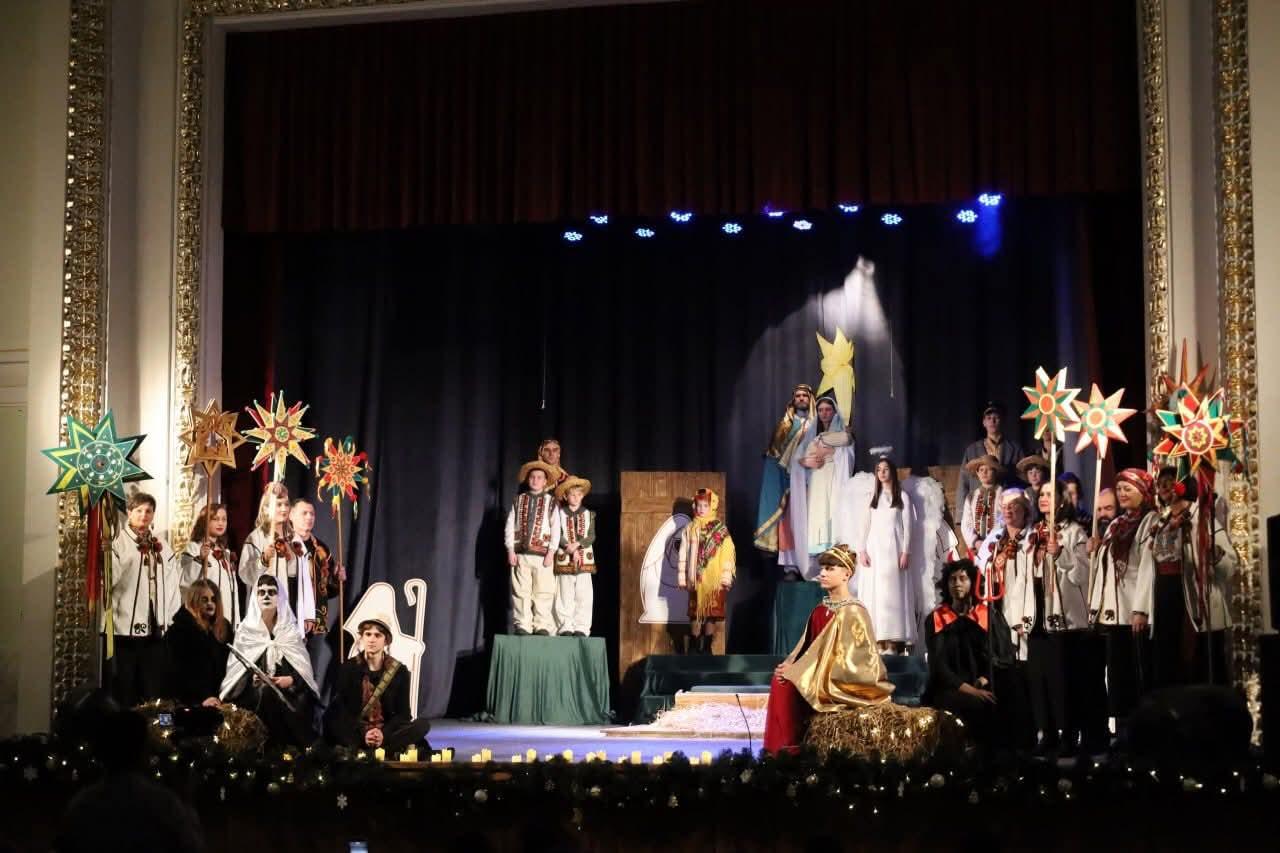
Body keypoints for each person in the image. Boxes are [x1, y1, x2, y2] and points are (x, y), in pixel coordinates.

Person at [762, 545, 895, 754]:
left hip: (842, 682)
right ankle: (780, 752)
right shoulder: (820, 610)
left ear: (846, 574)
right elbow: (806, 649)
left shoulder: (854, 612)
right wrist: (790, 665)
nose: (822, 573)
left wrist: (799, 673)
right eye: (822, 568)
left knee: (788, 684)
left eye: (830, 568)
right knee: (780, 681)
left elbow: (855, 665)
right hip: (816, 675)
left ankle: (794, 750)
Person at [1007, 482, 1090, 755]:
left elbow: (1082, 576)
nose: (1043, 498)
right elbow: (1022, 578)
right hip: (1037, 615)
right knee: (1039, 679)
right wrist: (1018, 615)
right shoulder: (1034, 533)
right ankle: (1047, 733)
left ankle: (1068, 734)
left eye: (1049, 494)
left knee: (1061, 680)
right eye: (1041, 494)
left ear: (1062, 500)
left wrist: (1062, 555)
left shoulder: (1074, 532)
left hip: (1063, 618)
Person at [56, 709, 206, 853]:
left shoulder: (82, 804)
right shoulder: (163, 804)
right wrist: (187, 800)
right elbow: (192, 846)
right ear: (144, 750)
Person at [1143, 469, 1237, 687]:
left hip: (1195, 605)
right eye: (1160, 483)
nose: (1163, 487)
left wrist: (1213, 553)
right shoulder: (1160, 523)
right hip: (1165, 603)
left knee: (1200, 668)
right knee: (1170, 669)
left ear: (1184, 485)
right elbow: (1149, 566)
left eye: (1169, 481)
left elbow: (1230, 567)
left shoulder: (1202, 519)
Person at [1086, 468, 1157, 735]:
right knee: (1118, 678)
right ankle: (1123, 733)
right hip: (1114, 614)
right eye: (1119, 489)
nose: (1122, 493)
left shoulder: (1150, 521)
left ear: (1143, 491)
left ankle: (1143, 733)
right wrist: (1096, 550)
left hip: (1134, 613)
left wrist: (1141, 609)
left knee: (1138, 675)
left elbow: (1148, 567)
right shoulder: (1116, 525)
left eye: (1128, 488)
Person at [220, 574, 319, 747]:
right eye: (262, 592)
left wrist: (291, 680)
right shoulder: (246, 631)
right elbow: (236, 674)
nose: (266, 596)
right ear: (255, 597)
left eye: (272, 592)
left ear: (279, 597)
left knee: (298, 703)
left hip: (288, 695)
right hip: (253, 695)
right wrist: (252, 679)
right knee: (264, 694)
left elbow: (304, 672)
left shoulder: (290, 630)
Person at [109, 491, 181, 708]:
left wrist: (169, 616)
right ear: (129, 512)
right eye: (139, 510)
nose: (144, 515)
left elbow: (172, 582)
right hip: (126, 629)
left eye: (148, 511)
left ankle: (159, 725)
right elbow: (110, 580)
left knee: (154, 686)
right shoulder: (118, 543)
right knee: (127, 686)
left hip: (156, 627)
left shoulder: (161, 545)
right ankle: (128, 725)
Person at [325, 614, 431, 753]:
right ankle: (380, 749)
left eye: (377, 635)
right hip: (357, 732)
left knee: (422, 725)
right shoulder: (348, 668)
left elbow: (403, 714)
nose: (371, 639)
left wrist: (383, 734)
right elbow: (342, 710)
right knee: (331, 720)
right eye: (368, 634)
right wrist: (364, 733)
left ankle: (367, 749)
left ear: (386, 641)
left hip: (386, 733)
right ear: (362, 638)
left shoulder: (399, 671)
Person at [923, 560, 997, 749]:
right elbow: (939, 668)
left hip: (980, 683)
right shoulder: (937, 618)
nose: (957, 583)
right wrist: (972, 690)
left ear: (973, 582)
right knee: (972, 703)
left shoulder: (986, 615)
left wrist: (983, 679)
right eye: (952, 579)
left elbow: (996, 655)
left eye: (963, 578)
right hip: (948, 687)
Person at [784, 394, 855, 578]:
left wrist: (823, 442)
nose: (824, 413)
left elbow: (846, 444)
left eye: (828, 410)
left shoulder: (841, 435)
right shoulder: (814, 437)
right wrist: (805, 461)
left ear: (834, 412)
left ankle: (836, 567)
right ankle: (820, 569)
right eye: (821, 410)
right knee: (818, 521)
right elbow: (799, 458)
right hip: (817, 483)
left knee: (832, 518)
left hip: (834, 482)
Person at [854, 456, 916, 653]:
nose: (881, 472)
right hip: (875, 552)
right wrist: (862, 550)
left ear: (892, 472)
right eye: (878, 469)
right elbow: (863, 526)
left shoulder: (902, 497)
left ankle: (894, 642)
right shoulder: (872, 498)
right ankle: (878, 640)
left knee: (893, 592)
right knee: (876, 593)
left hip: (893, 551)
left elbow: (908, 526)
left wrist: (905, 551)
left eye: (885, 469)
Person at [754, 383, 813, 557]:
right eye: (798, 396)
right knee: (788, 519)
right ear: (793, 400)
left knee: (809, 519)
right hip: (787, 478)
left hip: (810, 477)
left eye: (804, 396)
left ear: (810, 399)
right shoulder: (785, 424)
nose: (801, 398)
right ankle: (789, 563)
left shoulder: (816, 424)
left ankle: (810, 560)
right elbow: (775, 452)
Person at [504, 460, 562, 636]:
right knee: (521, 590)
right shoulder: (519, 500)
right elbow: (509, 526)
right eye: (532, 477)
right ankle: (523, 624)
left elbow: (556, 528)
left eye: (539, 478)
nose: (535, 480)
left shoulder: (551, 502)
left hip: (543, 554)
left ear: (545, 482)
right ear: (528, 480)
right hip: (521, 553)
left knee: (543, 590)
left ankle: (541, 624)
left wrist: (551, 551)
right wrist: (510, 550)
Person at [677, 488, 737, 654]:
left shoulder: (720, 530)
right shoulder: (690, 528)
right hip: (696, 578)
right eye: (699, 505)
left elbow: (727, 555)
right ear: (694, 506)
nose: (702, 509)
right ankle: (694, 645)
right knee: (695, 613)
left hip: (714, 580)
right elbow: (683, 553)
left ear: (712, 506)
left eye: (705, 505)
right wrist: (682, 578)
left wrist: (725, 577)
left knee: (711, 613)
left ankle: (707, 646)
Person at [165, 578, 230, 708]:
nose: (210, 603)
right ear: (194, 601)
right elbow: (178, 674)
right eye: (204, 600)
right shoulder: (178, 632)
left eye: (213, 599)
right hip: (189, 703)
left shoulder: (223, 628)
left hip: (220, 700)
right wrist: (202, 698)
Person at [237, 482, 301, 611]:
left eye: (286, 504)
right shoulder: (255, 538)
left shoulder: (293, 538)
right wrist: (263, 560)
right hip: (261, 608)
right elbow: (245, 574)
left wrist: (292, 559)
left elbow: (297, 574)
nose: (284, 509)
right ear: (266, 508)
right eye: (278, 504)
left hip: (285, 606)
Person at [956, 402, 1024, 519]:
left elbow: (1023, 481)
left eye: (996, 417)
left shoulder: (1015, 449)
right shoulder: (972, 450)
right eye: (989, 418)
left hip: (1007, 511)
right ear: (984, 422)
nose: (992, 421)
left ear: (1002, 421)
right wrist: (961, 515)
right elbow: (964, 482)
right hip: (977, 510)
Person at [180, 503, 241, 627]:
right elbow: (185, 580)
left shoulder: (225, 553)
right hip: (206, 614)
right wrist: (200, 559)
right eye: (215, 519)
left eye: (224, 519)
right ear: (204, 522)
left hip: (226, 616)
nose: (220, 523)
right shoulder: (194, 548)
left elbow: (232, 591)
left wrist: (236, 620)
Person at [289, 497, 344, 638]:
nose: (309, 517)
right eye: (304, 513)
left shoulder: (321, 550)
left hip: (313, 623)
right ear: (291, 515)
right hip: (289, 617)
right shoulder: (284, 545)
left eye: (312, 514)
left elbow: (328, 591)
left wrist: (338, 579)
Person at [553, 476, 596, 637]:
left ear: (583, 495)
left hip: (584, 559)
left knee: (583, 594)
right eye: (572, 494)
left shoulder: (588, 514)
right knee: (565, 593)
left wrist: (577, 545)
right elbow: (557, 534)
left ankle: (582, 627)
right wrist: (568, 547)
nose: (576, 497)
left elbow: (591, 536)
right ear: (566, 496)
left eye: (579, 494)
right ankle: (566, 626)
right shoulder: (560, 514)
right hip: (565, 558)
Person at [960, 455, 1005, 558]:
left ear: (995, 472)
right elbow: (966, 523)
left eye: (988, 469)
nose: (984, 472)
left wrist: (991, 541)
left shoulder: (1003, 494)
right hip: (977, 548)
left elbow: (1003, 520)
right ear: (977, 473)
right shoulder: (971, 496)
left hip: (997, 546)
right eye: (981, 470)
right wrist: (975, 542)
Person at [1015, 455, 1050, 522]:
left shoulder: (1048, 490)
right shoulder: (1025, 493)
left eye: (1037, 472)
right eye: (1030, 473)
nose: (1033, 475)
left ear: (1044, 473)